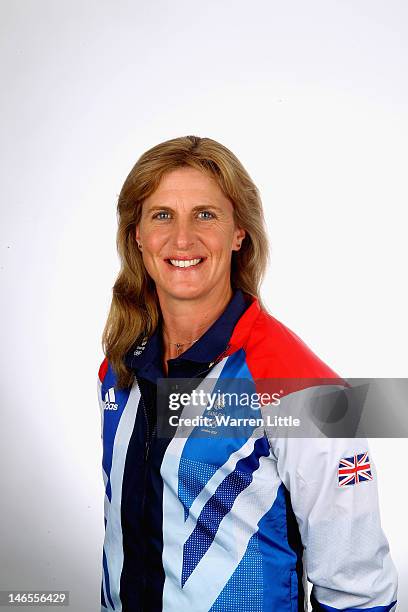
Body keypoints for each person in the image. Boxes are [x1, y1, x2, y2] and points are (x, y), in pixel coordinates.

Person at [97, 135, 398, 611]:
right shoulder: (120, 368)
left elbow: (358, 588)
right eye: (162, 215)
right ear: (137, 234)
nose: (182, 239)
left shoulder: (303, 388)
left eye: (206, 214)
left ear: (239, 233)